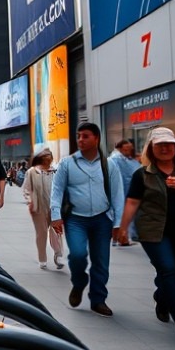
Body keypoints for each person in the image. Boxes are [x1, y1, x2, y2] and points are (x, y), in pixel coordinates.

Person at [117, 127, 175, 341]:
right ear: (151, 148)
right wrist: (123, 228)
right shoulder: (143, 174)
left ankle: (162, 298)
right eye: (159, 145)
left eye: (168, 144)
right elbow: (132, 202)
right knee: (169, 270)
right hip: (154, 231)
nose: (164, 148)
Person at [50, 122, 124, 318]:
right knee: (77, 255)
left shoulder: (109, 165)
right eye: (78, 136)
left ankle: (98, 299)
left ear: (96, 138)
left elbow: (118, 195)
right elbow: (56, 190)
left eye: (85, 136)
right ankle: (79, 281)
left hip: (102, 219)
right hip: (76, 219)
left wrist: (118, 224)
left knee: (101, 262)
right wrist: (56, 216)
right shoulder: (67, 163)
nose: (80, 140)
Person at [22, 148, 64, 270]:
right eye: (45, 157)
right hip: (38, 207)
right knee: (42, 233)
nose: (47, 159)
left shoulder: (56, 171)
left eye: (49, 157)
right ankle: (42, 259)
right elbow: (26, 189)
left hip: (54, 206)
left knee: (57, 231)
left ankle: (58, 255)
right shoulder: (32, 172)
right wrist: (30, 201)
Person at [109, 138, 142, 245]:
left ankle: (123, 237)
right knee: (120, 213)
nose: (129, 151)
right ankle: (121, 238)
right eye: (126, 149)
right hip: (122, 189)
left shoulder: (127, 159)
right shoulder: (116, 159)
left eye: (130, 148)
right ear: (120, 148)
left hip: (127, 189)